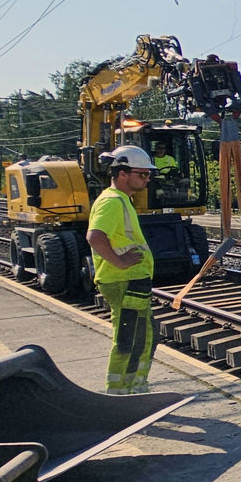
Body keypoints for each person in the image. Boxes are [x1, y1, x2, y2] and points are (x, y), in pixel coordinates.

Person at [87, 146, 156, 394]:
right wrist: (121, 262)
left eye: (148, 175)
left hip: (132, 280)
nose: (147, 179)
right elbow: (95, 237)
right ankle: (119, 391)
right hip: (123, 279)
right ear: (122, 173)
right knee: (131, 340)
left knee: (144, 336)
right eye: (142, 174)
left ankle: (135, 386)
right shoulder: (112, 201)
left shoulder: (121, 200)